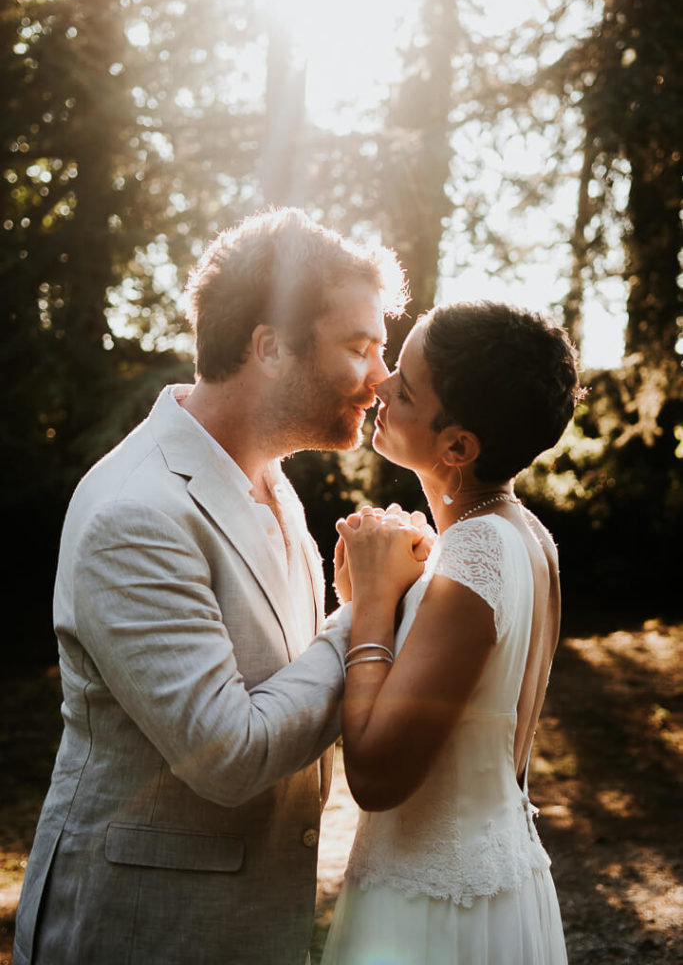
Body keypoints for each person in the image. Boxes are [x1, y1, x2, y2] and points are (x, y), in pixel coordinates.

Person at [13, 208, 415, 965]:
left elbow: (280, 678)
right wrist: (365, 613)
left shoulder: (272, 483)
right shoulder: (137, 513)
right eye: (359, 348)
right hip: (139, 931)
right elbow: (227, 753)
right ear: (267, 346)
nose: (380, 379)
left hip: (249, 921)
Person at [322, 301, 583, 965]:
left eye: (403, 389)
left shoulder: (475, 552)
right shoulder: (525, 537)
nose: (379, 385)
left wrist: (376, 602)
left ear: (457, 446)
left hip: (433, 911)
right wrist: (371, 590)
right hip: (494, 879)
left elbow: (377, 776)